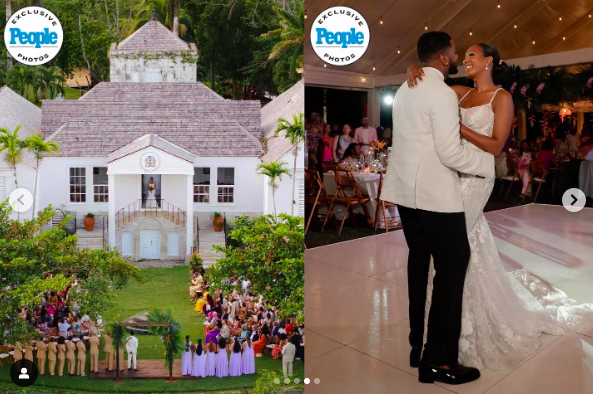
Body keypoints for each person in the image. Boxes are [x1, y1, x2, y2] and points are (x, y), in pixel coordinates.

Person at [406, 36, 593, 375]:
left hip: (476, 178)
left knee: (452, 248)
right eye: (465, 56)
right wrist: (413, 69)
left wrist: (457, 127)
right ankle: (450, 332)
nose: (466, 59)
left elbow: (495, 146)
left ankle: (448, 340)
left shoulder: (501, 98)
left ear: (490, 61)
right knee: (463, 248)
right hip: (450, 175)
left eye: (474, 55)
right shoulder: (459, 91)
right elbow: (432, 82)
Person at [385, 32, 496, 385]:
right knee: (451, 270)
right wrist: (485, 165)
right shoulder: (442, 93)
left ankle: (417, 346)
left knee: (419, 264)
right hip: (434, 196)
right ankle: (440, 362)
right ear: (445, 59)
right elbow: (450, 153)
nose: (459, 54)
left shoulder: (406, 89)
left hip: (405, 195)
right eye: (455, 51)